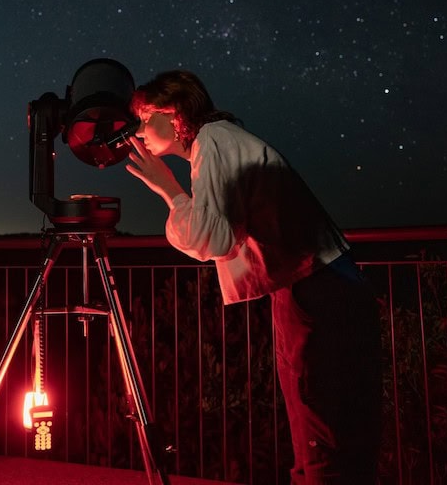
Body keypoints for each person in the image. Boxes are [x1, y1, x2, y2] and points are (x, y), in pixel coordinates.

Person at [125, 69, 382, 485]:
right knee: (333, 428)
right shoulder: (218, 142)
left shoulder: (212, 140)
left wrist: (170, 191)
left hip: (316, 291)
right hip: (320, 284)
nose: (137, 131)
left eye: (143, 116)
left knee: (321, 434)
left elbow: (216, 237)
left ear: (172, 115)